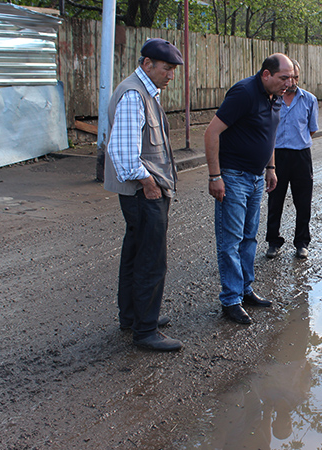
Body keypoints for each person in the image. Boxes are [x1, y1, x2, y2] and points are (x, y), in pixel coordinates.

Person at [103, 38, 184, 351]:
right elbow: (123, 153)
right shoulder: (134, 94)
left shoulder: (145, 91)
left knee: (136, 253)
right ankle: (145, 331)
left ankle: (133, 316)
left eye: (173, 69)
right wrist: (148, 182)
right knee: (151, 259)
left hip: (144, 190)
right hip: (144, 192)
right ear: (147, 64)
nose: (171, 75)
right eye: (167, 68)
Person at [204, 53, 295, 325]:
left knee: (249, 238)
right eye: (283, 78)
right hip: (233, 177)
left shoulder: (275, 96)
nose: (289, 84)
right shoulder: (243, 93)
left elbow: (269, 136)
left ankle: (244, 290)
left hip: (256, 178)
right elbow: (211, 133)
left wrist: (271, 168)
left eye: (291, 78)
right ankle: (231, 300)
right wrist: (214, 176)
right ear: (266, 74)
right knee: (230, 241)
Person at [265, 59, 319, 260]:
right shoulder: (272, 99)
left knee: (303, 201)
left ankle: (302, 243)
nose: (292, 81)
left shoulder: (309, 100)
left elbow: (311, 129)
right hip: (277, 156)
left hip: (301, 156)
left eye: (295, 77)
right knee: (275, 200)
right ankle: (273, 241)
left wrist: (297, 142)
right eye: (288, 77)